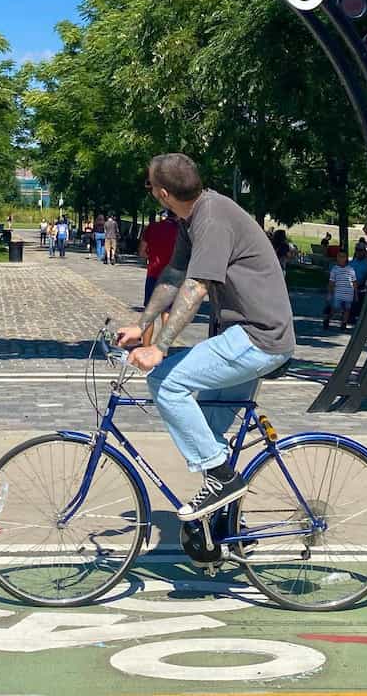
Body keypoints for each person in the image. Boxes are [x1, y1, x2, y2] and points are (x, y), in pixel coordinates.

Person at [116, 153, 294, 522]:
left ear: (163, 193)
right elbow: (174, 275)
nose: (150, 191)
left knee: (166, 381)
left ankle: (223, 482)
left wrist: (159, 347)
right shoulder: (192, 218)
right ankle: (225, 525)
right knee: (208, 434)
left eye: (149, 186)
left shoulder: (212, 218)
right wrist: (141, 324)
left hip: (258, 337)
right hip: (243, 336)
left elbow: (196, 286)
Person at [138, 210, 179, 347]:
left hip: (154, 274)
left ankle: (145, 347)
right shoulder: (182, 231)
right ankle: (162, 349)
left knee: (149, 313)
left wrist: (151, 256)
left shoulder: (152, 227)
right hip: (173, 276)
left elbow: (142, 252)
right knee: (167, 313)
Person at [325, 248, 357, 331]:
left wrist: (356, 294)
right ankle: (328, 318)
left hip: (349, 293)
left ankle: (344, 323)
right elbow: (331, 282)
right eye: (339, 256)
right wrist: (329, 293)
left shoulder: (350, 269)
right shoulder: (335, 269)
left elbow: (354, 282)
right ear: (337, 257)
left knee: (347, 309)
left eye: (343, 257)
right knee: (335, 308)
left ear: (346, 258)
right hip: (338, 293)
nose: (341, 259)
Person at [350, 241, 367, 322]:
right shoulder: (352, 263)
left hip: (361, 288)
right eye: (357, 250)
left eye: (361, 250)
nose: (359, 252)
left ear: (364, 251)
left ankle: (355, 315)